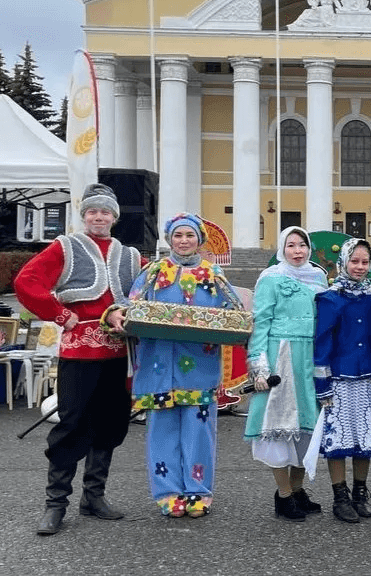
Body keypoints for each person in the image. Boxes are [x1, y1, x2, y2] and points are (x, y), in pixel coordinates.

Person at [13, 183, 144, 536]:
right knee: (72, 424)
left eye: (105, 212)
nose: (98, 217)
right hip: (80, 351)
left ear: (114, 218)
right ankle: (55, 503)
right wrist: (59, 314)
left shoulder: (130, 255)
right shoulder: (65, 247)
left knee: (111, 422)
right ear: (83, 215)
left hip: (119, 354)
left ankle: (93, 497)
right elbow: (27, 281)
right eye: (92, 211)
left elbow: (153, 290)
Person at [122, 213, 242, 518]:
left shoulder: (213, 274)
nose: (184, 241)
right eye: (178, 235)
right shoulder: (152, 272)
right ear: (169, 239)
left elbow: (235, 312)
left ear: (199, 240)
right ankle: (168, 491)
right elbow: (129, 307)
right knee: (161, 430)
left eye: (190, 235)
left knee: (199, 431)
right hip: (158, 365)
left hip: (200, 366)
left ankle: (198, 491)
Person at [245, 226, 328, 520]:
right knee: (278, 427)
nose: (297, 250)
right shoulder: (271, 278)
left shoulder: (319, 278)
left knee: (308, 427)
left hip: (311, 357)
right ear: (282, 249)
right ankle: (283, 495)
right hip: (281, 356)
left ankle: (297, 489)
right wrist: (260, 366)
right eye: (291, 245)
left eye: (302, 245)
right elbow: (261, 322)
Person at [314, 238, 371, 523]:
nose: (359, 267)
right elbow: (322, 343)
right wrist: (322, 384)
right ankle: (339, 497)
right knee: (339, 439)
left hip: (367, 376)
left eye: (364, 262)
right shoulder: (330, 298)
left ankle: (360, 491)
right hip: (339, 378)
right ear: (343, 262)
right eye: (354, 261)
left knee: (363, 437)